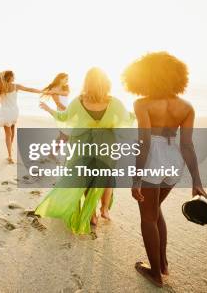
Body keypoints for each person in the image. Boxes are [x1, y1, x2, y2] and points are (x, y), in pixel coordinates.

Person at [123, 52, 207, 288]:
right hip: (174, 159)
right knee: (155, 208)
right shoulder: (187, 107)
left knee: (147, 217)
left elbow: (145, 142)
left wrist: (136, 178)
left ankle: (156, 275)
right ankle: (163, 264)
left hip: (152, 158)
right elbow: (187, 144)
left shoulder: (142, 104)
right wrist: (196, 180)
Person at [36, 67, 135, 234]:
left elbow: (64, 117)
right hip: (107, 146)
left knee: (86, 178)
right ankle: (104, 209)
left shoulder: (78, 101)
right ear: (106, 83)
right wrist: (141, 112)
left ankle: (92, 214)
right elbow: (126, 119)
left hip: (82, 146)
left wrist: (49, 110)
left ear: (86, 83)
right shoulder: (115, 103)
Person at [0, 70, 43, 164]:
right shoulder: (16, 86)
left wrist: (2, 101)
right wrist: (41, 91)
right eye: (13, 76)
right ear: (9, 77)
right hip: (14, 112)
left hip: (5, 112)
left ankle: (9, 155)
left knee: (8, 134)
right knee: (12, 131)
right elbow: (30, 89)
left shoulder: (0, 87)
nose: (14, 77)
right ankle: (10, 151)